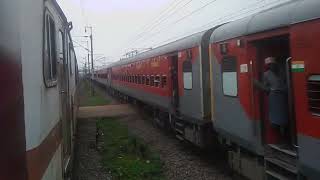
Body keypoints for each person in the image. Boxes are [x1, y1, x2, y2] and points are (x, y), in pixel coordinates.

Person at [254, 57, 289, 142]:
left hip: (284, 96)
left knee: (286, 118)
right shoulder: (266, 74)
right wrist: (260, 85)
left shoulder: (283, 72)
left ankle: (286, 137)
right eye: (269, 65)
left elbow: (287, 82)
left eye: (272, 64)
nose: (271, 66)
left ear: (275, 64)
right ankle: (280, 138)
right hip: (274, 98)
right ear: (267, 66)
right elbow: (265, 87)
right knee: (275, 120)